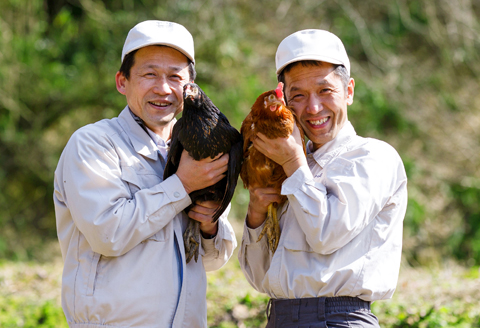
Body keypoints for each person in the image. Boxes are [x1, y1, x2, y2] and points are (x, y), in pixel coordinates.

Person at [54, 20, 237, 328]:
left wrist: (209, 227)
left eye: (174, 77)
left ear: (190, 87)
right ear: (122, 82)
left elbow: (213, 260)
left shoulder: (197, 152)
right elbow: (107, 234)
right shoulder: (94, 143)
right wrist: (182, 185)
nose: (163, 88)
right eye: (149, 74)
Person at [238, 29, 408, 327]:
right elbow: (259, 276)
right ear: (285, 100)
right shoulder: (287, 166)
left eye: (325, 91)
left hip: (338, 319)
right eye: (299, 96)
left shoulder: (372, 157)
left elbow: (326, 234)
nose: (313, 108)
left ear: (349, 91)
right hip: (279, 318)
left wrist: (292, 162)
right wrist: (255, 217)